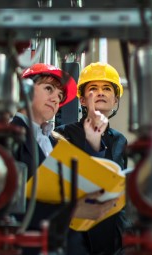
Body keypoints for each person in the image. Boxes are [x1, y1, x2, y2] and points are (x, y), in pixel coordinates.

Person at [12, 63, 117, 255]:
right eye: (49, 89)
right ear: (24, 90)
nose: (55, 99)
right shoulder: (8, 137)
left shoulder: (55, 142)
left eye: (60, 97)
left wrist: (93, 143)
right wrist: (71, 211)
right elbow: (11, 204)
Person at [55, 62, 131, 255]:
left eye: (107, 88)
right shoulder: (62, 135)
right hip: (75, 236)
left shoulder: (120, 140)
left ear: (115, 100)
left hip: (110, 237)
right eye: (93, 89)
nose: (101, 93)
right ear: (81, 100)